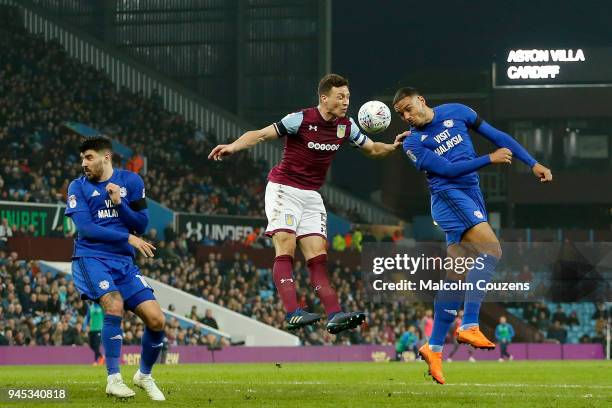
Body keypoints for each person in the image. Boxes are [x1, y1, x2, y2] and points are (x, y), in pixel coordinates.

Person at [208, 74, 404, 334]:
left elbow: (372, 149)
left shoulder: (346, 126)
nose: (346, 101)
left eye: (348, 96)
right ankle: (292, 312)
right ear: (324, 98)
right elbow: (259, 135)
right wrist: (233, 146)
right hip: (283, 188)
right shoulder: (300, 119)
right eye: (340, 96)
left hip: (311, 196)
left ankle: (334, 315)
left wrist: (393, 146)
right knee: (286, 245)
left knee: (317, 257)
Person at [393, 87, 552, 384]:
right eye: (401, 114)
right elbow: (448, 170)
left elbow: (499, 136)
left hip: (471, 193)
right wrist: (488, 159)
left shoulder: (458, 110)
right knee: (492, 250)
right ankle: (469, 323)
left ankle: (434, 346)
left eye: (408, 108)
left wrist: (532, 163)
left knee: (456, 273)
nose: (406, 116)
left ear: (422, 100)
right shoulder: (413, 143)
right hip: (449, 196)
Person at [64, 136, 165, 400]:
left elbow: (141, 224)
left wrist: (120, 204)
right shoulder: (77, 187)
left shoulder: (132, 182)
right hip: (91, 257)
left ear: (105, 157)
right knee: (114, 304)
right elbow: (86, 229)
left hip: (124, 262)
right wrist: (127, 237)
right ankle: (113, 378)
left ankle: (143, 375)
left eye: (89, 157)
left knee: (156, 320)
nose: (83, 163)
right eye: (82, 158)